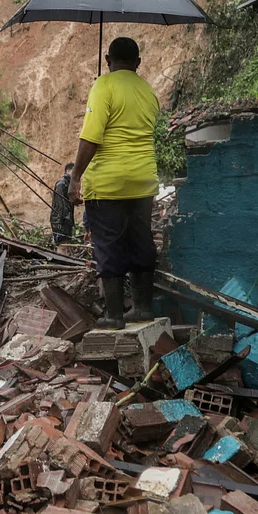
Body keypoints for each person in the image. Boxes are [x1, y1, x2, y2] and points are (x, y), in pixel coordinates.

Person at [68, 37, 158, 329]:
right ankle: (143, 308)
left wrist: (76, 177)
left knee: (108, 245)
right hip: (143, 181)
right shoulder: (148, 90)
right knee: (140, 241)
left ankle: (114, 315)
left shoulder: (103, 86)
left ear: (108, 60)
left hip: (108, 184)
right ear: (138, 63)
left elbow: (91, 137)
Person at [50, 163, 76, 246]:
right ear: (68, 171)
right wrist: (67, 218)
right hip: (60, 221)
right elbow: (60, 203)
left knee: (67, 245)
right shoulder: (62, 183)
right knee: (62, 245)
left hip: (66, 220)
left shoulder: (69, 184)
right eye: (74, 171)